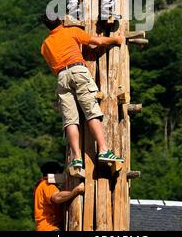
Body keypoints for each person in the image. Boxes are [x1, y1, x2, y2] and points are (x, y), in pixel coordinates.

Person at [40, 15, 124, 168]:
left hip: (61, 77)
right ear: (61, 21)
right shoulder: (71, 31)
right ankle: (104, 150)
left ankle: (76, 157)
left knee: (70, 120)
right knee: (91, 111)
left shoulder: (45, 45)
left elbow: (53, 67)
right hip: (77, 70)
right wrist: (115, 40)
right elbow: (97, 41)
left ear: (46, 27)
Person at [33, 161, 84, 231]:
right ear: (56, 173)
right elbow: (56, 197)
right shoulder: (47, 184)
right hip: (50, 228)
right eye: (60, 173)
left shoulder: (40, 185)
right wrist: (75, 191)